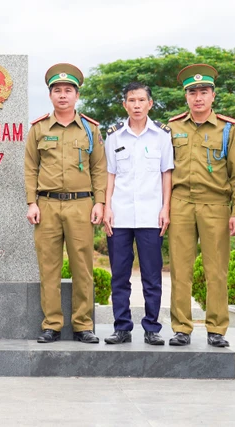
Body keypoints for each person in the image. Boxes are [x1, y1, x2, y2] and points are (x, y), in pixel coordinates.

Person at [24, 63, 105, 344]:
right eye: (57, 90)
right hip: (46, 206)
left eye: (68, 90)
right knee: (49, 268)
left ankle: (83, 324)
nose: (62, 95)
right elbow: (30, 168)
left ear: (76, 95)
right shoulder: (38, 129)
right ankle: (52, 324)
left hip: (81, 205)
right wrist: (31, 203)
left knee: (83, 266)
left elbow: (99, 169)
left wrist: (100, 202)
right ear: (50, 96)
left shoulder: (90, 129)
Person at [167, 63, 235, 347]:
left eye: (203, 91)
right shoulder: (172, 127)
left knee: (216, 271)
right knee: (180, 269)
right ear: (185, 97)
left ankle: (216, 329)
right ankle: (181, 328)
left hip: (216, 205)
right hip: (180, 204)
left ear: (213, 95)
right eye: (192, 92)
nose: (198, 97)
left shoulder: (228, 129)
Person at [102, 82, 173, 345]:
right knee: (119, 274)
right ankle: (122, 326)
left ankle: (152, 327)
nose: (136, 105)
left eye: (141, 100)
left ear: (150, 104)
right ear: (125, 104)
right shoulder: (114, 136)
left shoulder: (162, 136)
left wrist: (166, 208)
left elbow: (167, 173)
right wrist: (107, 207)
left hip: (151, 216)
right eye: (131, 100)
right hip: (119, 215)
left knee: (152, 276)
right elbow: (110, 174)